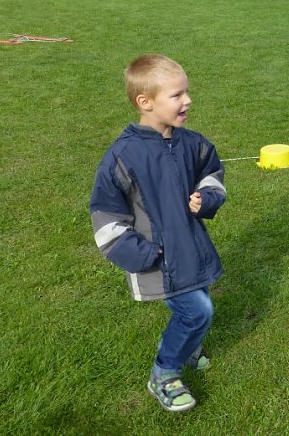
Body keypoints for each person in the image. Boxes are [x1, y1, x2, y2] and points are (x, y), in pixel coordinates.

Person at [89, 54, 226, 412]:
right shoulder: (123, 156)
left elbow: (212, 172)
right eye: (177, 95)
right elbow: (105, 215)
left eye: (187, 92)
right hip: (160, 259)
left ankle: (190, 346)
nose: (188, 101)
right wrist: (143, 254)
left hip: (193, 248)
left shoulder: (191, 143)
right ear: (145, 103)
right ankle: (164, 373)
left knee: (198, 306)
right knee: (197, 312)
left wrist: (207, 197)